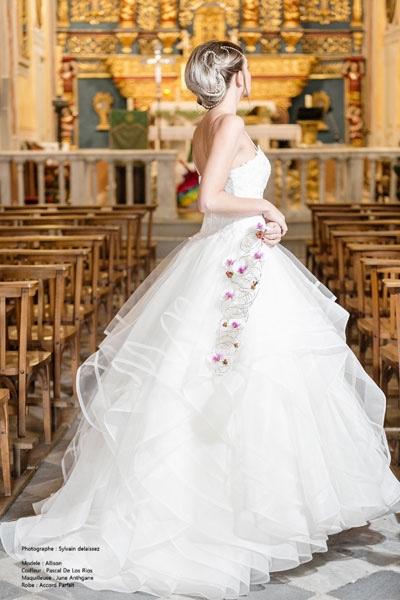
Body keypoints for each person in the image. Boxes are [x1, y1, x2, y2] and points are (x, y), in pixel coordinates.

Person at [1, 39, 400, 599]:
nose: (253, 73)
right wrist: (265, 208)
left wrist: (262, 219)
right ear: (236, 73)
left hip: (231, 252)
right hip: (235, 257)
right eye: (248, 66)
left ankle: (244, 507)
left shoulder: (206, 125)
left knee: (227, 379)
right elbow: (210, 199)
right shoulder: (230, 124)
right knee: (253, 379)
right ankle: (247, 516)